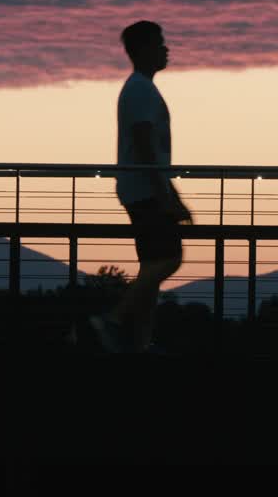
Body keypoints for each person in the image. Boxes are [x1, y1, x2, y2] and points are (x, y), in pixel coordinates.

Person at [90, 20, 192, 354]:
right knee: (169, 259)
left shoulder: (139, 88)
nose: (166, 49)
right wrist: (166, 196)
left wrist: (170, 193)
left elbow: (149, 149)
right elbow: (146, 144)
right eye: (160, 43)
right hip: (145, 190)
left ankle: (140, 342)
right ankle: (114, 319)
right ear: (145, 49)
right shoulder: (140, 90)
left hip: (142, 187)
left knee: (152, 266)